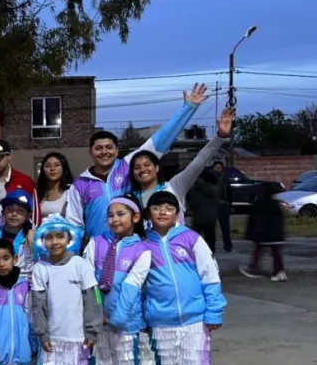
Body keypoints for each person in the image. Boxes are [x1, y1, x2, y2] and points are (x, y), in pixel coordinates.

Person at [70, 84, 207, 240]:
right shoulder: (80, 184)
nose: (104, 152)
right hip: (99, 249)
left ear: (116, 150)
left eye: (109, 147)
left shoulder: (129, 165)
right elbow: (74, 224)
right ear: (91, 152)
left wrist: (188, 108)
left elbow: (162, 138)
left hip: (132, 246)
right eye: (98, 148)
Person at [142, 191, 225, 365]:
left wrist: (213, 311)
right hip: (160, 320)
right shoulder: (144, 243)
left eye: (169, 207)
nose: (163, 212)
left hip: (194, 318)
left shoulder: (191, 239)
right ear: (148, 213)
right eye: (157, 208)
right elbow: (140, 284)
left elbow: (210, 275)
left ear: (177, 213)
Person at [30, 215, 102, 365]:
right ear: (43, 241)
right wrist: (42, 334)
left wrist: (92, 330)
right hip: (52, 337)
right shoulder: (40, 269)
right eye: (49, 237)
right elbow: (38, 305)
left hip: (77, 336)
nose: (55, 242)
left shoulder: (80, 265)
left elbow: (94, 298)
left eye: (60, 236)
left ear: (69, 239)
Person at [82, 197, 150, 365]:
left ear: (135, 217)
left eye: (121, 214)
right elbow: (89, 281)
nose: (115, 219)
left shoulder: (142, 250)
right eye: (111, 215)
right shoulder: (96, 243)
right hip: (99, 320)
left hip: (125, 322)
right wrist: (96, 312)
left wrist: (118, 319)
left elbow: (133, 287)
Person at [128, 107, 235, 223]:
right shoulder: (131, 199)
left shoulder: (174, 187)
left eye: (147, 165)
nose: (142, 169)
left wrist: (219, 137)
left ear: (157, 168)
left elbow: (198, 162)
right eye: (137, 167)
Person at [0, 139, 41, 223]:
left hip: (18, 232)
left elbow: (35, 212)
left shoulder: (25, 181)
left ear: (9, 156)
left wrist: (32, 230)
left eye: (0, 157)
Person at [240, 182, 287, 282]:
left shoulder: (260, 204)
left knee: (258, 251)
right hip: (276, 234)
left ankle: (253, 268)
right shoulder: (277, 204)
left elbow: (256, 220)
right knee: (276, 252)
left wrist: (254, 233)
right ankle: (279, 271)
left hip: (264, 233)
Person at [0, 190, 35, 278]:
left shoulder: (33, 237)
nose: (14, 214)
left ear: (28, 216)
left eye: (20, 210)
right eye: (9, 209)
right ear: (3, 213)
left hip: (23, 283)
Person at [36, 152, 82, 223]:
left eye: (57, 165)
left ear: (63, 168)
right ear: (42, 170)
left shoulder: (71, 192)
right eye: (47, 166)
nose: (52, 169)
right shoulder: (37, 193)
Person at [187, 169, 221, 253]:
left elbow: (193, 203)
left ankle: (195, 254)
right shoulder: (216, 188)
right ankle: (211, 254)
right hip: (211, 217)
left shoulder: (197, 189)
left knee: (195, 239)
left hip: (199, 217)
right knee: (210, 238)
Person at [211, 161, 234, 253]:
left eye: (219, 167)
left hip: (224, 205)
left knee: (225, 227)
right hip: (212, 206)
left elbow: (230, 192)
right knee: (211, 228)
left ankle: (228, 246)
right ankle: (211, 246)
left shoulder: (225, 179)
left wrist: (230, 204)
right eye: (216, 167)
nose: (218, 169)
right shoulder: (209, 179)